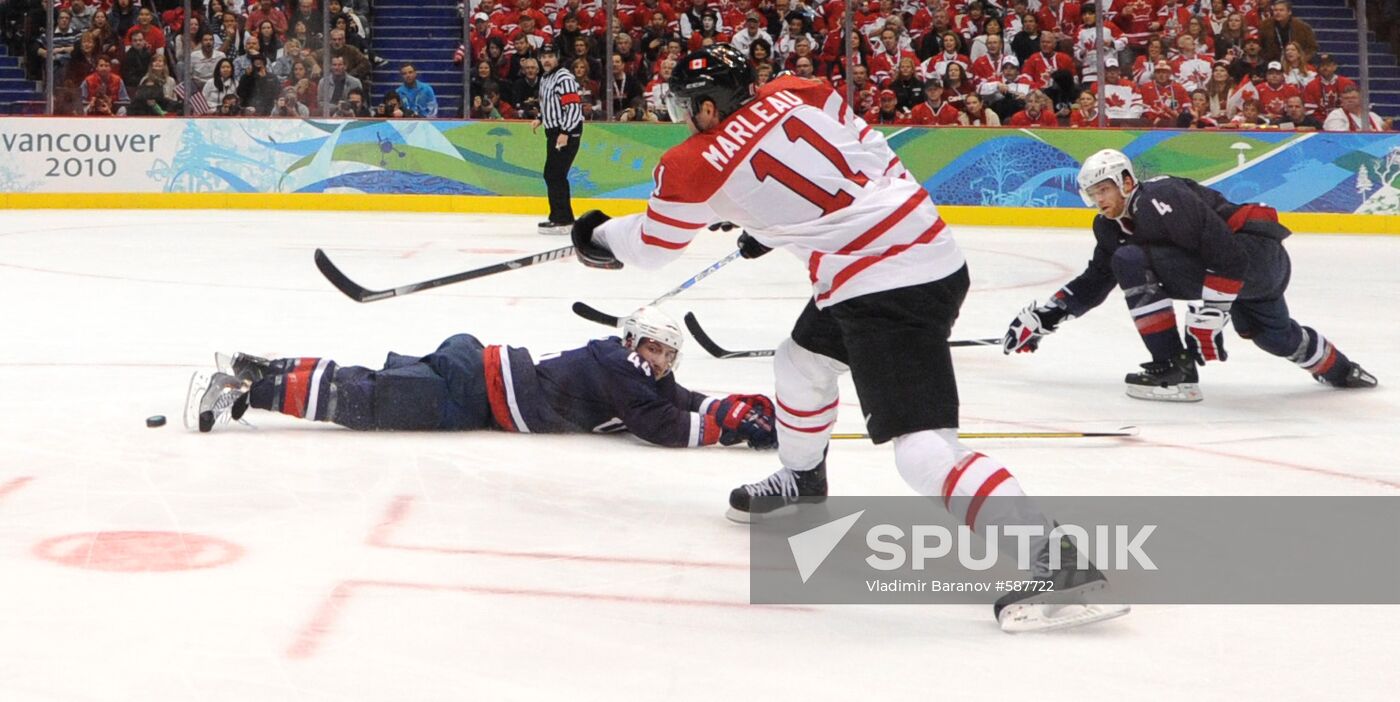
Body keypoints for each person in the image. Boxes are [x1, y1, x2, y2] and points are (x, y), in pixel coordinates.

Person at [568, 44, 1128, 633]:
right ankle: (804, 480)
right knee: (799, 362)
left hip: (883, 288)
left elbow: (652, 247)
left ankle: (1059, 561)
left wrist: (596, 235)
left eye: (687, 106)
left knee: (922, 451)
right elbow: (864, 156)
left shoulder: (693, 161)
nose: (684, 118)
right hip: (921, 250)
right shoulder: (796, 89)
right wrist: (773, 216)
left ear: (708, 107)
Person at [1004, 149, 1376, 401]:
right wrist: (1045, 316)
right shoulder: (1110, 227)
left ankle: (1175, 369)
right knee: (1273, 338)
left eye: (1104, 189)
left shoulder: (1160, 197)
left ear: (1127, 182)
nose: (1099, 200)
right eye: (1091, 194)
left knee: (1131, 258)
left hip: (1256, 258)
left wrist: (1211, 314)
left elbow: (1227, 255)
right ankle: (1343, 371)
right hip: (1244, 275)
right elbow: (1096, 280)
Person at [186, 307, 778, 453]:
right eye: (657, 347)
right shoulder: (621, 367)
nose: (664, 362)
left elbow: (677, 400)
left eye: (670, 353)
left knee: (367, 383)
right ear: (633, 342)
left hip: (478, 374)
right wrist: (727, 432)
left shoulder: (629, 368)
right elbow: (660, 423)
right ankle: (250, 387)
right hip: (475, 392)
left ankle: (262, 367)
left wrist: (735, 408)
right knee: (366, 401)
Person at [533, 43, 585, 235]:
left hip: (565, 131)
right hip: (554, 130)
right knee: (553, 174)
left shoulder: (564, 77)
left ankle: (562, 219)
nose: (546, 60)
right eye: (543, 56)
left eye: (550, 56)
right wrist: (540, 118)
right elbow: (550, 104)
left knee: (554, 174)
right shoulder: (546, 78)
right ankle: (560, 217)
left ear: (557, 57)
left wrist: (565, 132)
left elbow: (573, 107)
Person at [1323, 84, 1389, 132]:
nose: (1350, 100)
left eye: (1353, 98)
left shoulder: (1373, 116)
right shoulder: (1336, 115)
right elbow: (1337, 136)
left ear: (1361, 99)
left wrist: (1385, 129)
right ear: (1341, 101)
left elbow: (1381, 134)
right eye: (1346, 98)